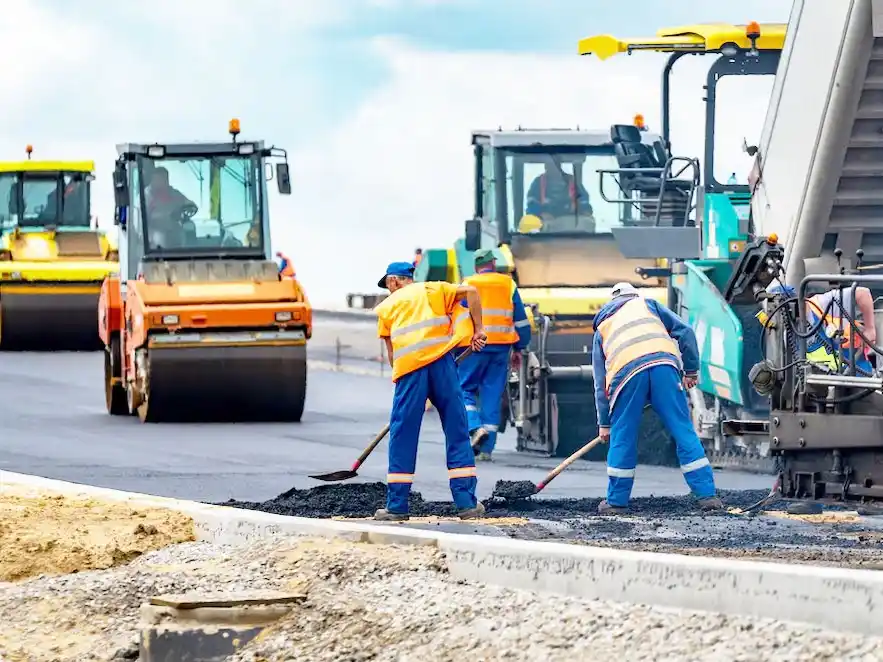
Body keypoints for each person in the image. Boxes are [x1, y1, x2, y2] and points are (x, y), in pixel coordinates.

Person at [592, 282, 722, 514]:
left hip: (626, 376)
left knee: (623, 436)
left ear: (611, 302)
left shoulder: (603, 325)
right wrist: (691, 370)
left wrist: (605, 423)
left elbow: (600, 382)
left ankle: (616, 502)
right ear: (634, 296)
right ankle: (707, 496)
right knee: (684, 431)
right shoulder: (649, 305)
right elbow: (686, 332)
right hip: (664, 367)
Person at [373, 261, 489, 521]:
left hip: (411, 372)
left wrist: (413, 389)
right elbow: (471, 291)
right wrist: (479, 329)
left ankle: (397, 506)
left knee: (403, 433)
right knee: (458, 430)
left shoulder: (387, 307)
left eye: (388, 285)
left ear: (393, 281)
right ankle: (467, 504)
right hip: (443, 366)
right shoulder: (434, 290)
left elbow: (392, 356)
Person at [454, 249, 531, 461]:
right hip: (501, 349)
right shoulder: (508, 284)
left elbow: (457, 317)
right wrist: (520, 347)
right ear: (493, 263)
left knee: (462, 389)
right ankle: (486, 451)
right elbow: (521, 321)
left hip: (473, 347)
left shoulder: (468, 283)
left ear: (476, 266)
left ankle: (474, 427)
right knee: (492, 396)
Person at [806, 285, 877, 374]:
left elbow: (863, 293)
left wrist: (870, 329)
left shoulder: (821, 304)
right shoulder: (788, 334)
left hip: (857, 373)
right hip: (822, 380)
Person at [145, 167, 196, 247]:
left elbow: (188, 203)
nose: (164, 182)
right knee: (160, 237)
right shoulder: (146, 196)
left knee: (188, 228)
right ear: (154, 179)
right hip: (154, 232)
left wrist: (190, 207)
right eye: (161, 179)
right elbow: (140, 220)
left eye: (166, 179)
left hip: (174, 229)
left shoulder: (173, 193)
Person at [525, 162, 592, 221]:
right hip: (545, 230)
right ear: (545, 166)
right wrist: (540, 214)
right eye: (549, 165)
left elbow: (584, 201)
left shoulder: (573, 182)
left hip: (571, 225)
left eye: (554, 165)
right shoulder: (538, 183)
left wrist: (585, 211)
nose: (552, 168)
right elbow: (531, 204)